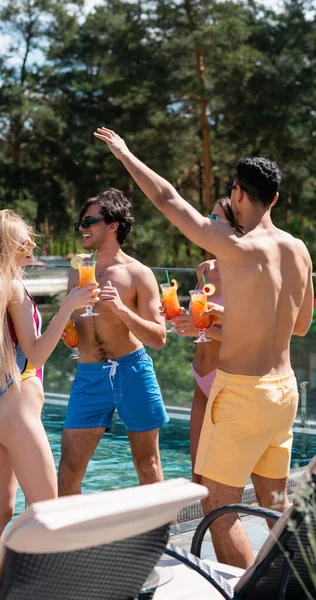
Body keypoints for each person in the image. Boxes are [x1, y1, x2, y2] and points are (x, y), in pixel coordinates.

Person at [94, 127, 314, 568]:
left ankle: (248, 591)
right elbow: (301, 326)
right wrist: (222, 321)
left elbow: (168, 200)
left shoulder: (235, 245)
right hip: (284, 392)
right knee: (273, 506)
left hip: (243, 395)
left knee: (218, 507)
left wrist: (125, 155)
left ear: (238, 194)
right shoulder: (299, 250)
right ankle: (291, 584)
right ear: (274, 198)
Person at [0, 209, 98, 572]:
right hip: (18, 411)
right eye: (21, 238)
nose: (30, 241)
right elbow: (37, 353)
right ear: (5, 248)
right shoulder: (12, 288)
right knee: (47, 511)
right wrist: (68, 307)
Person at [58, 188, 168, 496]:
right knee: (68, 470)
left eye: (90, 221)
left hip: (132, 371)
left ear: (112, 225)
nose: (82, 228)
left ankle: (156, 540)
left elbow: (158, 338)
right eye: (80, 222)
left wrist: (121, 310)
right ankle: (72, 543)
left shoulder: (138, 274)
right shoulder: (77, 271)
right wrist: (71, 334)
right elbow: (73, 324)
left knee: (147, 465)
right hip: (89, 376)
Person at [165, 197, 243, 483]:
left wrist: (203, 329)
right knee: (197, 473)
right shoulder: (205, 269)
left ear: (236, 227)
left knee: (223, 477)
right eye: (208, 217)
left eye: (216, 219)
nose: (208, 224)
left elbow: (245, 332)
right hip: (200, 375)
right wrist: (183, 316)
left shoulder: (244, 273)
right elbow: (203, 318)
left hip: (228, 380)